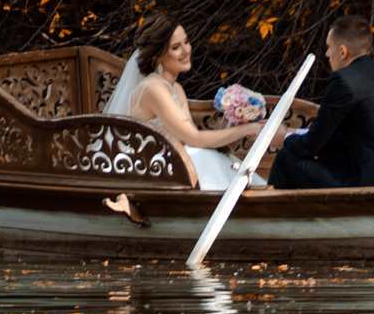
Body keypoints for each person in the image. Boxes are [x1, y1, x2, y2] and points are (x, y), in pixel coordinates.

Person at [105, 13, 264, 191]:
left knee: (209, 157)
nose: (186, 50)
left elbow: (188, 139)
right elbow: (193, 139)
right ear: (158, 56)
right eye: (176, 47)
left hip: (170, 163)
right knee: (203, 157)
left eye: (186, 42)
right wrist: (247, 129)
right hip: (147, 167)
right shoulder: (153, 88)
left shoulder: (176, 88)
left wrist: (228, 138)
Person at [269, 15, 374, 190]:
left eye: (329, 48)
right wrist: (293, 132)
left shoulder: (343, 81)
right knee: (332, 154)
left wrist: (284, 138)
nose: (327, 54)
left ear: (343, 52)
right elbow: (337, 139)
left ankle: (268, 215)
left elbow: (310, 147)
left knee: (286, 158)